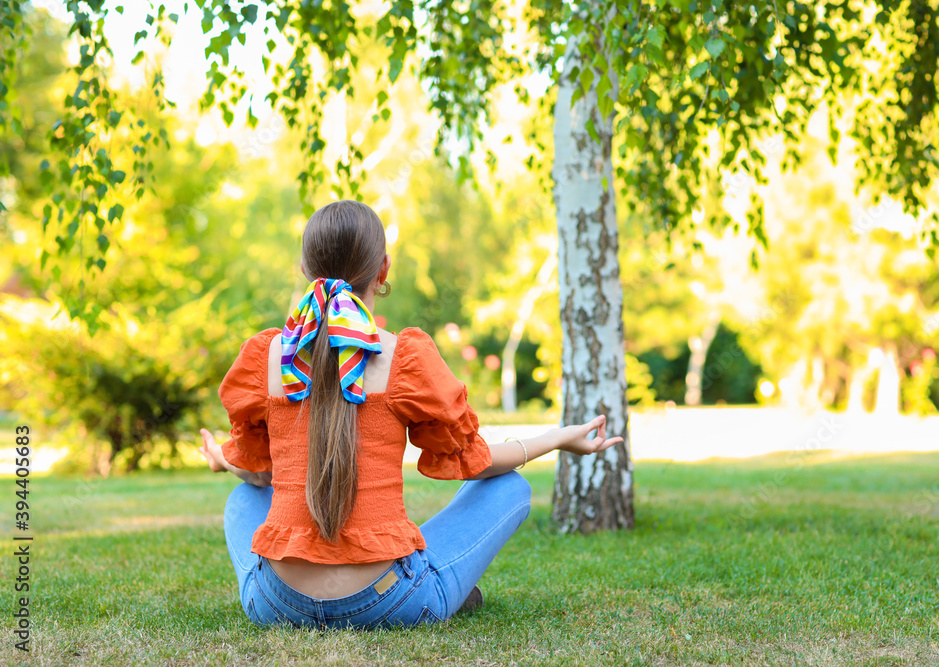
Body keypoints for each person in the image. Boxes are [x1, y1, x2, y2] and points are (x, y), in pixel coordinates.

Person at [199, 200, 622, 630]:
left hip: (278, 605)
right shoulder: (403, 358)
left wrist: (223, 460)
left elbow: (259, 475)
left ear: (305, 268)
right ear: (382, 270)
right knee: (509, 488)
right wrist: (559, 437)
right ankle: (440, 588)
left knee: (243, 498)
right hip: (388, 603)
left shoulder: (267, 359)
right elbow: (473, 462)